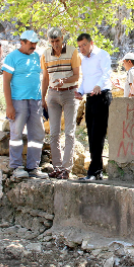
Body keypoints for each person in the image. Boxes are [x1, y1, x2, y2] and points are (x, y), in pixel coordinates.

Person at [1, 30, 49, 179]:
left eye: (35, 43)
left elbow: (41, 77)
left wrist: (43, 99)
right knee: (16, 133)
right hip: (18, 101)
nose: (33, 46)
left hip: (35, 101)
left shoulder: (36, 57)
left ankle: (33, 167)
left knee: (37, 134)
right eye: (31, 44)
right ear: (22, 42)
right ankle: (16, 167)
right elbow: (6, 82)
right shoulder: (12, 58)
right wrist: (9, 105)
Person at [41, 27, 81, 179]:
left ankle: (66, 168)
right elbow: (45, 78)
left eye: (57, 41)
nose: (55, 44)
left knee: (69, 132)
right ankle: (57, 167)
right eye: (52, 42)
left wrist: (64, 81)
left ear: (62, 39)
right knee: (54, 133)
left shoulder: (72, 52)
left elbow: (77, 75)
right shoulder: (45, 54)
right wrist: (42, 97)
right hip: (52, 95)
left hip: (70, 93)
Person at [74, 33, 112, 182]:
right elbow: (85, 79)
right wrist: (80, 91)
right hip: (90, 98)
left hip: (102, 95)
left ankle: (94, 171)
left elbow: (106, 73)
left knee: (98, 134)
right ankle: (96, 171)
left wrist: (98, 86)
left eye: (84, 45)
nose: (81, 48)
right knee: (91, 134)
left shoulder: (103, 55)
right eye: (79, 46)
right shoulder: (83, 60)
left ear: (91, 43)